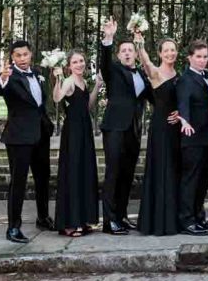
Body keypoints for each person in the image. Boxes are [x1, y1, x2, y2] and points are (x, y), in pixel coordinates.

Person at [0, 39, 54, 243]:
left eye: (25, 54)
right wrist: (2, 78)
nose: (22, 58)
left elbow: (40, 104)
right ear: (12, 58)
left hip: (40, 135)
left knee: (43, 178)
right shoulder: (9, 76)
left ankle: (43, 217)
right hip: (19, 137)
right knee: (18, 182)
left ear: (30, 54)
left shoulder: (38, 74)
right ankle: (13, 228)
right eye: (17, 55)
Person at [98, 17, 151, 235]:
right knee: (114, 173)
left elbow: (154, 96)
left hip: (134, 130)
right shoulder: (114, 71)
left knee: (128, 173)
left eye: (131, 50)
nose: (128, 53)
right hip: (115, 128)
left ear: (136, 54)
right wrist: (108, 38)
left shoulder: (141, 74)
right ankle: (109, 221)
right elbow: (104, 62)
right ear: (119, 55)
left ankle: (121, 215)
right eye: (124, 51)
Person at [134, 32, 183, 236]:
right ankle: (158, 221)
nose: (170, 53)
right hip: (161, 128)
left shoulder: (180, 75)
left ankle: (175, 217)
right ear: (160, 54)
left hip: (178, 128)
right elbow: (144, 61)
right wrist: (140, 43)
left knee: (175, 170)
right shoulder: (155, 73)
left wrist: (181, 113)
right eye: (166, 50)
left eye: (173, 50)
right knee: (161, 169)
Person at [52, 50, 101, 237]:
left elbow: (87, 105)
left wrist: (97, 86)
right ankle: (70, 222)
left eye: (81, 61)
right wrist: (57, 79)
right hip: (72, 132)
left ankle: (83, 218)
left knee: (84, 171)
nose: (79, 64)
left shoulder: (83, 82)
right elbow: (57, 98)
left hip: (84, 129)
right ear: (69, 66)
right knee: (73, 172)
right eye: (75, 62)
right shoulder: (69, 81)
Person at [176, 39, 208, 236]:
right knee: (190, 180)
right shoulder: (185, 80)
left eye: (205, 57)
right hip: (192, 137)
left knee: (203, 181)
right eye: (198, 57)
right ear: (189, 58)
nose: (202, 60)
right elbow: (182, 102)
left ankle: (199, 217)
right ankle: (186, 220)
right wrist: (184, 121)